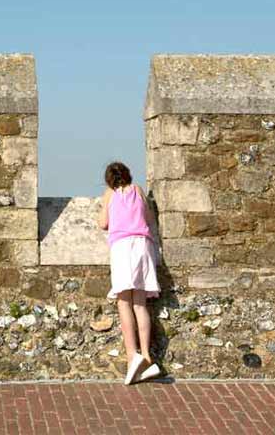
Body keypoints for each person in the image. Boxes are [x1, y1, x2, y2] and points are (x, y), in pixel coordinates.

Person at [97, 161, 161, 385]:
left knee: (123, 302)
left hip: (123, 247)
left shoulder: (109, 194)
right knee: (140, 304)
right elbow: (150, 219)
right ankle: (147, 356)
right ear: (128, 175)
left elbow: (103, 223)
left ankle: (132, 354)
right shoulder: (138, 191)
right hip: (143, 245)